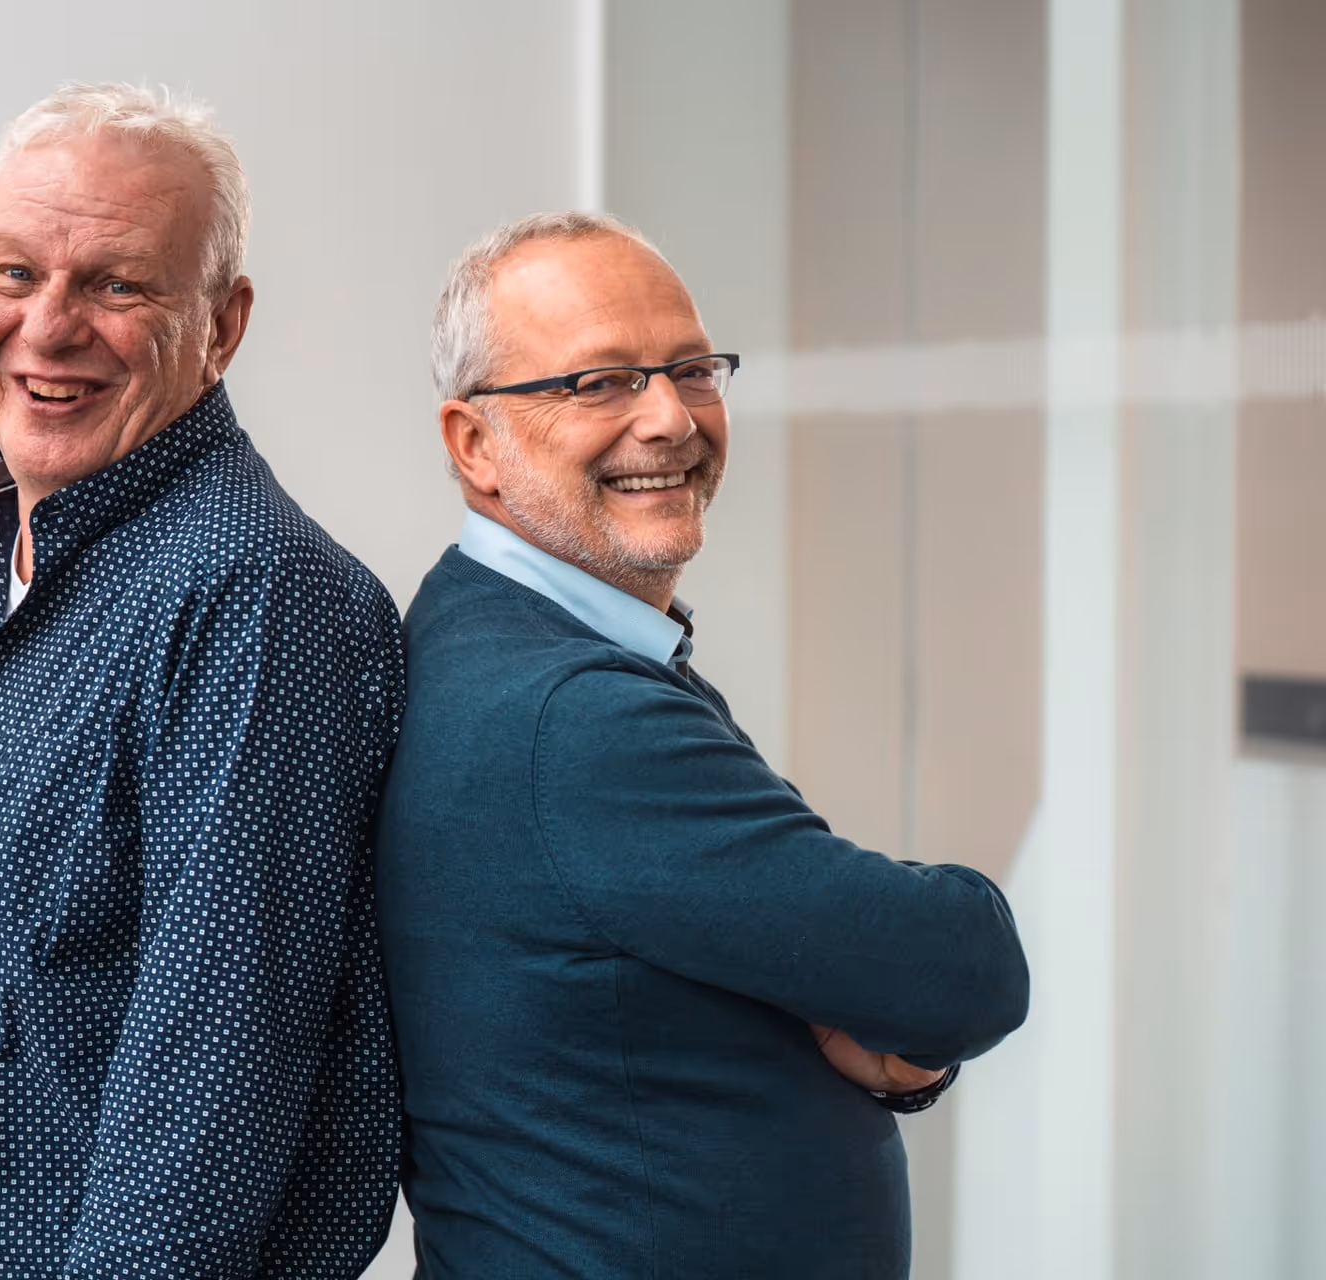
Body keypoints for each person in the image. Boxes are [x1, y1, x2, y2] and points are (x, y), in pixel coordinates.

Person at [374, 212, 1031, 1279]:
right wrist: (889, 1016)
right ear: (473, 445)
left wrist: (885, 1030)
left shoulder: (494, 630)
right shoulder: (571, 715)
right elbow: (967, 967)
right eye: (600, 383)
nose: (671, 419)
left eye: (691, 369)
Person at [0, 84, 404, 1280]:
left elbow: (213, 1084)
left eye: (115, 283)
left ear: (224, 323)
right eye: (13, 273)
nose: (48, 327)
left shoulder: (256, 596)